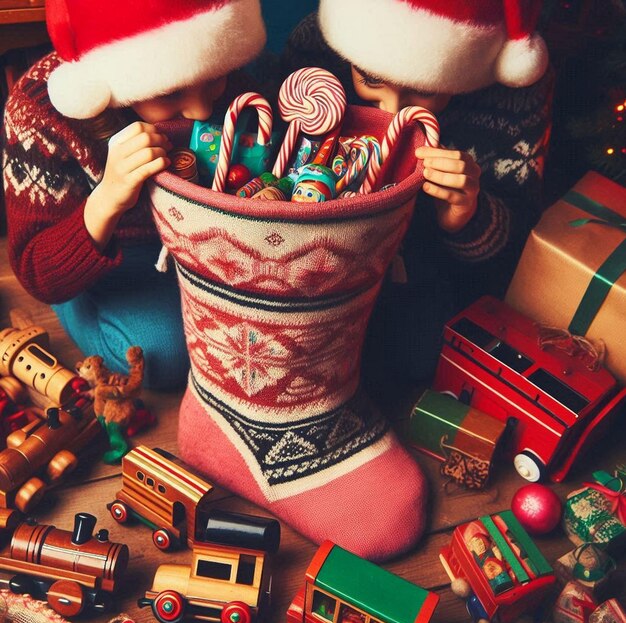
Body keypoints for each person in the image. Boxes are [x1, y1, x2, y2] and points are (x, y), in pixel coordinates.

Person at [283, 0, 554, 383]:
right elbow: (278, 149)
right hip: (308, 247)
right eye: (371, 80)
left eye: (423, 90)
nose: (393, 111)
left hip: (420, 264)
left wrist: (466, 217)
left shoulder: (512, 84)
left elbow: (517, 246)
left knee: (415, 360)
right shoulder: (320, 47)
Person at [2, 0, 267, 389]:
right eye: (172, 91)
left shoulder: (227, 66)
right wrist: (108, 197)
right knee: (164, 356)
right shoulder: (40, 114)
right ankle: (78, 305)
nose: (199, 109)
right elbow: (35, 268)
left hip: (207, 246)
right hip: (109, 256)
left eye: (214, 79)